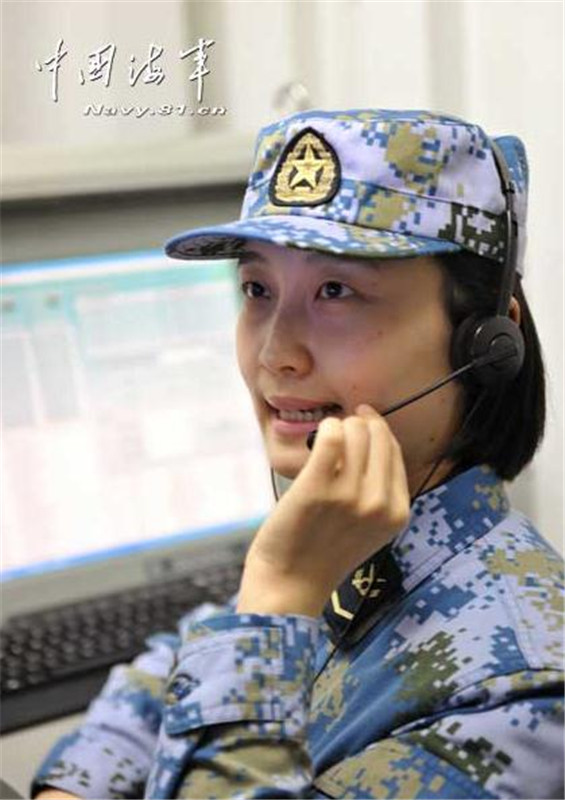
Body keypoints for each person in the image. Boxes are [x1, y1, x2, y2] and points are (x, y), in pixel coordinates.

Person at [32, 109, 563, 799]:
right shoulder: (348, 546)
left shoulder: (520, 695)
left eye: (335, 291)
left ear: (486, 339)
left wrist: (277, 598)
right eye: (257, 290)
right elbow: (166, 670)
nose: (273, 354)